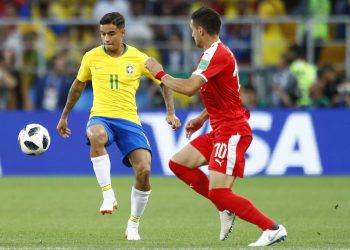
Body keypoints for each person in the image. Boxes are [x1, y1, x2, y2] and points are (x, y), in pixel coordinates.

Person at [145, 7, 287, 247]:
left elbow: (189, 88)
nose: (192, 36)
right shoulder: (214, 54)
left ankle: (271, 228)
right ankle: (224, 209)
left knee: (219, 191)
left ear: (200, 30)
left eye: (192, 31)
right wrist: (202, 118)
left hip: (231, 131)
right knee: (178, 163)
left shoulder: (216, 54)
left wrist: (159, 73)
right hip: (219, 129)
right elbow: (225, 95)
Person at [57, 12, 181, 241]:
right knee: (95, 134)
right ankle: (108, 194)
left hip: (129, 121)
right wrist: (64, 116)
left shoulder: (139, 58)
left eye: (111, 33)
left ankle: (133, 225)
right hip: (101, 116)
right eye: (103, 33)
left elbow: (164, 81)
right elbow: (77, 86)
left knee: (144, 171)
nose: (106, 38)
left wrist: (170, 112)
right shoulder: (91, 57)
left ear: (123, 33)